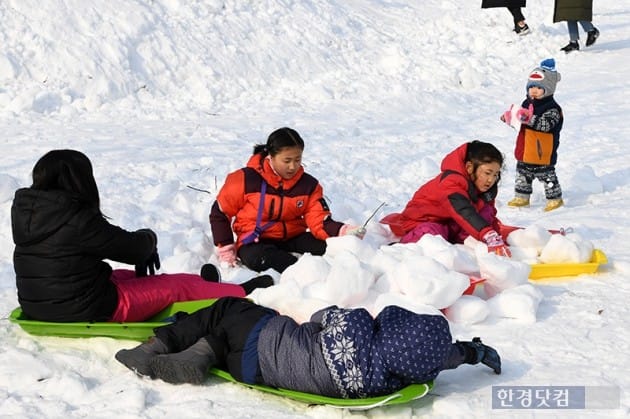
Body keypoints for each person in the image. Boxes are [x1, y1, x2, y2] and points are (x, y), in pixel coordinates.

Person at [11, 150, 274, 323]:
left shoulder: (28, 213)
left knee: (128, 277)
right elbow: (132, 248)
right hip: (87, 308)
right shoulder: (76, 218)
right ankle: (240, 291)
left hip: (39, 304)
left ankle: (210, 287)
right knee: (175, 288)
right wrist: (148, 239)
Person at [115, 297, 501, 397]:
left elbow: (321, 315)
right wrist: (472, 353)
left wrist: (325, 320)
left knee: (232, 310)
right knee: (224, 338)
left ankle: (155, 346)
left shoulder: (358, 326)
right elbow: (442, 356)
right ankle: (201, 354)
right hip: (253, 371)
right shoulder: (391, 378)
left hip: (265, 341)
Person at [209, 127, 364, 274]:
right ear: (271, 156)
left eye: (298, 160)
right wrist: (226, 248)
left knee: (330, 249)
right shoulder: (245, 179)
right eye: (287, 160)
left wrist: (342, 231)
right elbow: (220, 212)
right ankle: (303, 272)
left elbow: (318, 218)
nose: (293, 166)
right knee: (267, 260)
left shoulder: (308, 185)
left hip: (292, 237)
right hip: (255, 242)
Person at [380, 141, 511, 257]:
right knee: (433, 235)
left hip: (450, 223)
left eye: (495, 174)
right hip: (424, 222)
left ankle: (470, 248)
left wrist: (497, 238)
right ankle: (403, 249)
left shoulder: (483, 189)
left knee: (485, 210)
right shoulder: (451, 182)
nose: (491, 180)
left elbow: (488, 217)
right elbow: (463, 211)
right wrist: (487, 234)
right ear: (469, 167)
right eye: (487, 173)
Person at [501, 58, 564, 212]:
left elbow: (545, 125)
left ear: (548, 89)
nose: (534, 90)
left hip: (543, 151)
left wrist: (528, 118)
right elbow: (521, 121)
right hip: (526, 148)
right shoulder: (526, 103)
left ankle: (554, 198)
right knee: (522, 175)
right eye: (531, 87)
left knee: (547, 176)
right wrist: (511, 118)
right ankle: (521, 197)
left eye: (538, 87)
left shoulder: (553, 109)